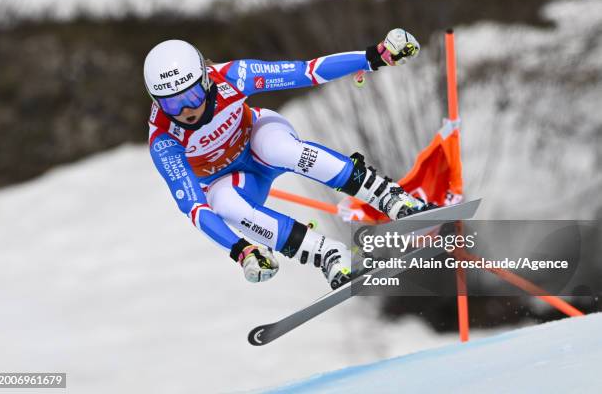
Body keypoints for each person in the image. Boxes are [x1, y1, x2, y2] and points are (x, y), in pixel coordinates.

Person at [144, 28, 430, 289]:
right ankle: (328, 254)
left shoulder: (233, 76)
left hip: (258, 140)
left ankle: (389, 197)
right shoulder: (163, 140)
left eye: (192, 96)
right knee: (222, 203)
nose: (186, 111)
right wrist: (241, 250)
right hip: (232, 181)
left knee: (279, 149)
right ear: (157, 101)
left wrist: (373, 56)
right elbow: (194, 207)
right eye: (172, 103)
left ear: (205, 80)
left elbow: (307, 72)